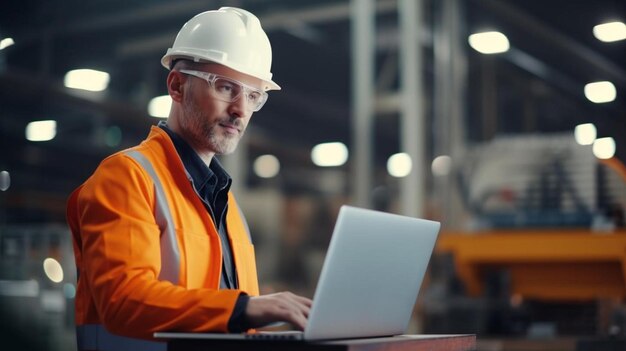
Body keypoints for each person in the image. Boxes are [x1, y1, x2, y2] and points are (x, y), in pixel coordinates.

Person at [66, 7, 312, 351]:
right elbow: (123, 301)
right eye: (227, 87)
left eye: (254, 96)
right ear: (177, 86)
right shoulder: (126, 177)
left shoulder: (227, 205)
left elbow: (229, 325)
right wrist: (246, 309)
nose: (241, 109)